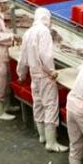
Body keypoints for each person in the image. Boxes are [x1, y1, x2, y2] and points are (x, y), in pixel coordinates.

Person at [18, 8, 66, 152]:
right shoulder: (44, 31)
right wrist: (51, 71)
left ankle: (42, 136)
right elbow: (45, 55)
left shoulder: (28, 32)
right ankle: (51, 143)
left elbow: (22, 57)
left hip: (34, 75)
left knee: (38, 104)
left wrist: (21, 74)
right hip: (45, 76)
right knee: (50, 106)